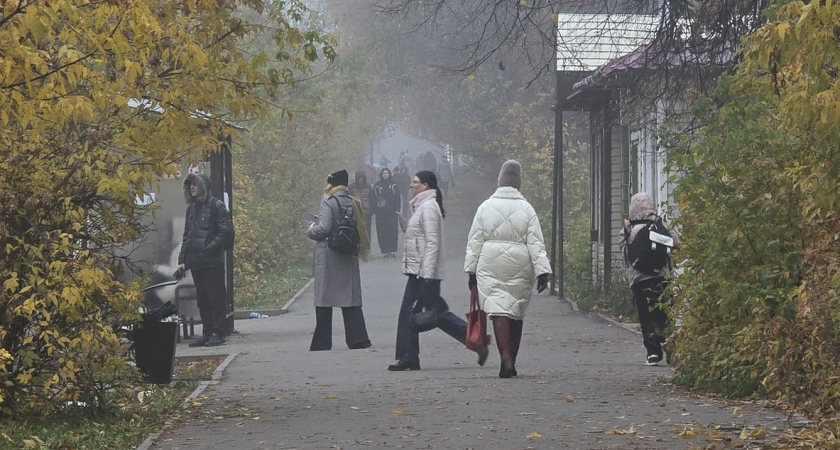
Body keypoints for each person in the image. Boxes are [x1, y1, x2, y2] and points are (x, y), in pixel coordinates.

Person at [388, 170, 489, 371]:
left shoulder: (428, 208)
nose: (411, 185)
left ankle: (409, 356)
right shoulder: (422, 207)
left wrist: (427, 274)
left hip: (424, 273)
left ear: (425, 186)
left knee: (417, 313)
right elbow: (422, 237)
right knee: (437, 314)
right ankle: (477, 341)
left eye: (415, 182)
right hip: (421, 271)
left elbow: (433, 243)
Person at [464, 160, 552, 378]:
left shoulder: (485, 207)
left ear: (500, 182)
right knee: (516, 311)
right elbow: (536, 243)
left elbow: (475, 241)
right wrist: (543, 271)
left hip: (490, 264)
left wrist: (471, 271)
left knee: (498, 310)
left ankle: (505, 357)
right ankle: (512, 358)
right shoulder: (527, 209)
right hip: (520, 264)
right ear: (518, 183)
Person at [306, 169, 372, 351]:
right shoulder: (353, 202)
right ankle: (358, 338)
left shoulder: (328, 201)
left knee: (323, 298)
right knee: (350, 297)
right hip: (348, 252)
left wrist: (311, 228)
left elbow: (324, 228)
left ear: (332, 184)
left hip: (328, 254)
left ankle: (322, 341)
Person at [618, 192, 678, 366]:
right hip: (662, 277)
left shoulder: (628, 230)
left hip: (639, 280)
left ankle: (653, 352)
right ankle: (670, 346)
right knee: (666, 313)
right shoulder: (660, 224)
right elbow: (676, 242)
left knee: (646, 316)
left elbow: (625, 255)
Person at [177, 173, 233, 347]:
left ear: (203, 186)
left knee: (215, 299)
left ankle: (218, 333)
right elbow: (187, 236)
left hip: (212, 262)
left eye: (195, 184)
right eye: (190, 185)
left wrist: (209, 248)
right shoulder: (192, 209)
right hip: (196, 262)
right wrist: (182, 259)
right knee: (203, 300)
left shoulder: (216, 206)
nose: (192, 188)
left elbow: (226, 232)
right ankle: (207, 333)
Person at [373, 168, 401, 258]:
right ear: (381, 174)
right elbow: (373, 199)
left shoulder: (393, 185)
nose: (385, 175)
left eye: (387, 173)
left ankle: (392, 250)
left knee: (393, 231)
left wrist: (397, 209)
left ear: (389, 174)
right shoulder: (377, 185)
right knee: (382, 232)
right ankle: (385, 250)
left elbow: (398, 198)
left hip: (392, 213)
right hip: (381, 214)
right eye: (384, 173)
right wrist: (375, 210)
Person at [348, 170, 374, 240]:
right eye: (359, 178)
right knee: (355, 232)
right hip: (355, 214)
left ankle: (367, 248)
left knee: (367, 232)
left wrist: (371, 212)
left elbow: (372, 200)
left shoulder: (368, 187)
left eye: (362, 178)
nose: (360, 180)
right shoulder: (351, 187)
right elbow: (348, 200)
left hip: (366, 214)